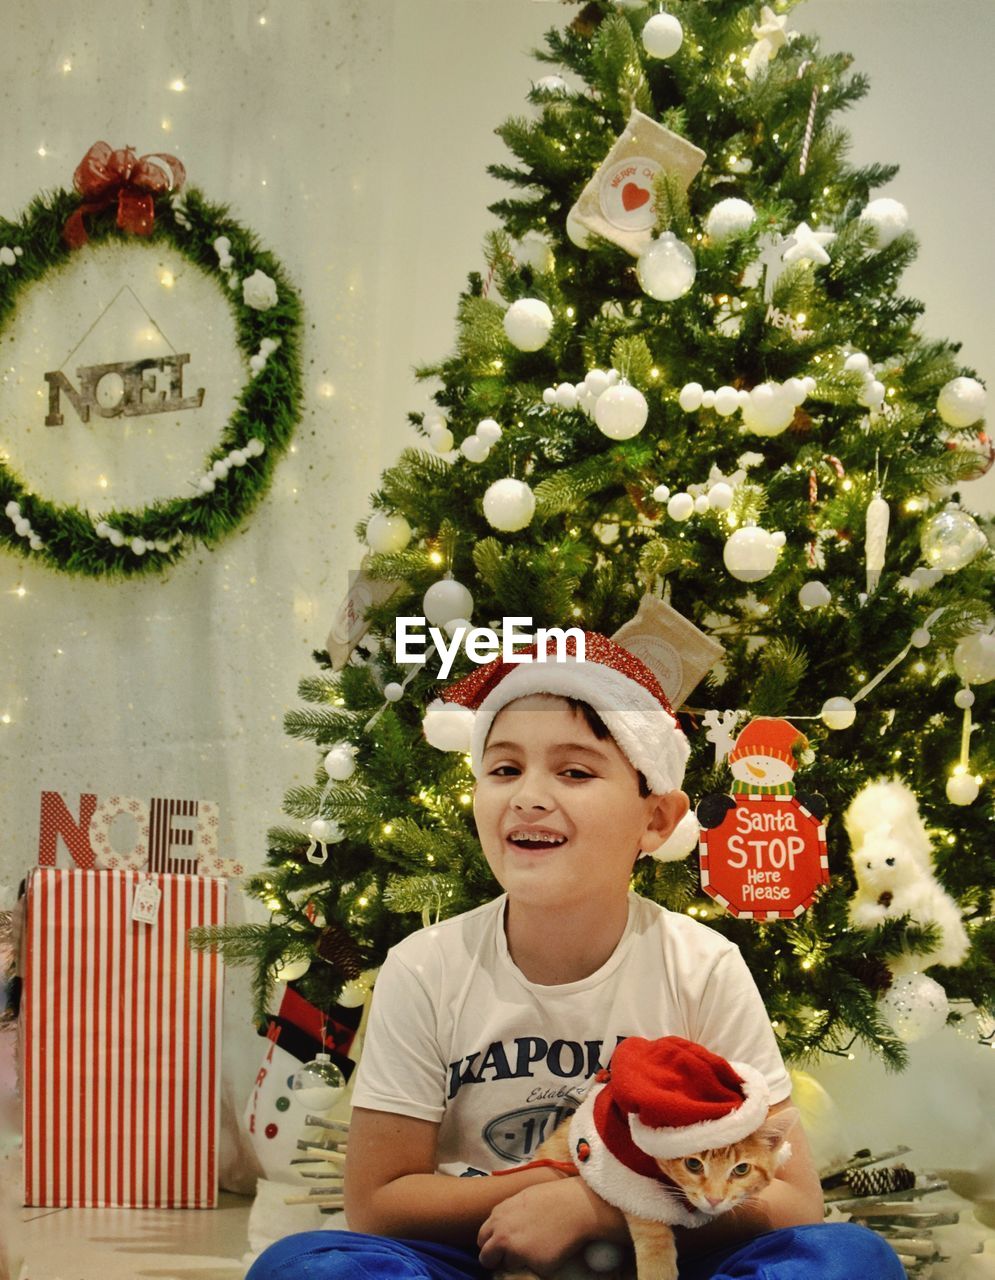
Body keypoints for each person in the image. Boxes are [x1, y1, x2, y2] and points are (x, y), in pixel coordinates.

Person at [247, 631, 903, 1280]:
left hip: (664, 1255)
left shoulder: (702, 966)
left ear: (654, 820)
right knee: (304, 1268)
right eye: (503, 769)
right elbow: (378, 1204)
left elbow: (794, 1200)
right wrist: (536, 1194)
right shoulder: (425, 967)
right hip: (481, 1251)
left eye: (574, 771)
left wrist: (600, 1210)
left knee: (847, 1259)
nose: (528, 795)